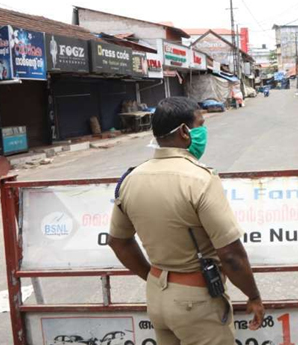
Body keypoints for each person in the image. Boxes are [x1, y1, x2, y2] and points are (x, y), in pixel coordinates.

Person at [108, 97, 264, 345]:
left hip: (157, 299)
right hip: (197, 303)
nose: (204, 132)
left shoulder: (131, 179)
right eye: (200, 125)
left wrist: (155, 278)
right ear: (184, 131)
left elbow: (118, 242)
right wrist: (253, 296)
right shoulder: (200, 179)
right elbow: (231, 254)